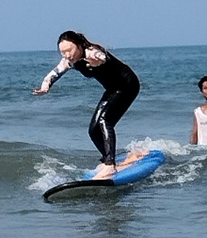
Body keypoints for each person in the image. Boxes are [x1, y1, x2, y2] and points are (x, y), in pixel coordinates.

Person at [34, 31, 140, 178]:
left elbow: (103, 57)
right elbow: (53, 74)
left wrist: (98, 60)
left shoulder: (92, 52)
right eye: (63, 52)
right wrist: (45, 87)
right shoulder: (69, 61)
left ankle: (110, 165)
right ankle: (108, 159)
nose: (67, 55)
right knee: (93, 130)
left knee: (105, 121)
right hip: (112, 89)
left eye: (69, 50)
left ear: (78, 45)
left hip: (128, 85)